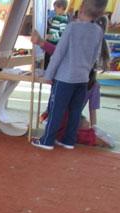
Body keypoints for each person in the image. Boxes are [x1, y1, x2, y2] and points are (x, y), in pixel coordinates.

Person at [32, 0, 107, 150]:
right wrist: (85, 71)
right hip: (83, 79)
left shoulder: (72, 27)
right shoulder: (98, 31)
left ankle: (47, 140)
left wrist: (48, 75)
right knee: (75, 111)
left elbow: (59, 53)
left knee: (56, 110)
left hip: (64, 78)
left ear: (82, 7)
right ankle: (69, 140)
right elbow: (95, 57)